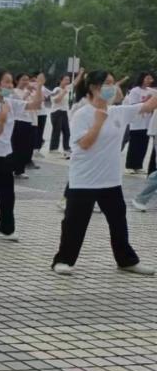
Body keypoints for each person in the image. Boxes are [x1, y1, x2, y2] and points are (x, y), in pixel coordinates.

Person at [53, 69, 157, 275]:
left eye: (113, 83)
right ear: (93, 87)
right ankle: (63, 261)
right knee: (75, 223)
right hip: (84, 180)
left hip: (110, 180)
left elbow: (148, 105)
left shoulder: (118, 111)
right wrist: (99, 122)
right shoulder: (82, 114)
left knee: (118, 221)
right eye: (108, 83)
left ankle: (126, 261)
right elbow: (84, 144)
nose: (113, 87)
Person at [0, 70, 44, 244]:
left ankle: (6, 229)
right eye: (6, 82)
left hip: (6, 155)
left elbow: (35, 104)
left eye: (11, 82)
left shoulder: (10, 102)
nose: (10, 86)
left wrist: (39, 86)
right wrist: (2, 115)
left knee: (7, 195)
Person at [123, 72, 154, 173]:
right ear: (142, 79)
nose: (150, 81)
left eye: (151, 79)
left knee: (143, 145)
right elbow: (132, 105)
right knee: (134, 145)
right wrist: (146, 101)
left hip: (147, 123)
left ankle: (138, 166)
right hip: (137, 122)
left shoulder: (151, 91)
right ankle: (130, 166)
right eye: (148, 78)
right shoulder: (135, 91)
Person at [48, 74, 72, 158]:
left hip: (64, 112)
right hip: (56, 112)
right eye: (66, 80)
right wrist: (63, 92)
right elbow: (56, 100)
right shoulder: (56, 89)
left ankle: (67, 148)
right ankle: (53, 148)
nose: (68, 81)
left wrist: (80, 74)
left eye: (68, 80)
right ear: (61, 81)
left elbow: (75, 83)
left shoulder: (67, 89)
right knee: (56, 131)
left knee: (67, 132)